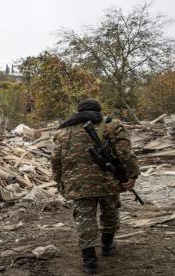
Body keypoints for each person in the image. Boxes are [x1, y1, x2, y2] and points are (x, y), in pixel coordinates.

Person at [51, 99, 139, 274]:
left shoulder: (63, 132)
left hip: (78, 183)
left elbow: (56, 161)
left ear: (79, 112)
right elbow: (125, 153)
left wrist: (60, 182)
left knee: (84, 219)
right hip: (108, 181)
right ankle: (107, 246)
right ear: (99, 111)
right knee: (110, 212)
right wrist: (132, 175)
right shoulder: (112, 126)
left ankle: (89, 261)